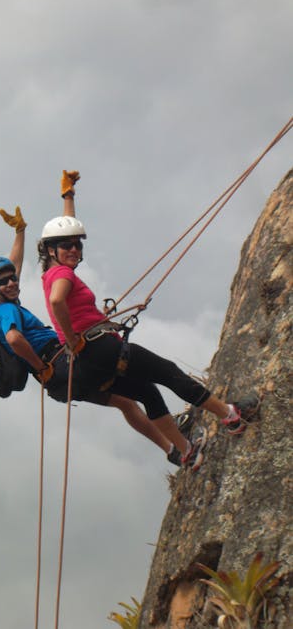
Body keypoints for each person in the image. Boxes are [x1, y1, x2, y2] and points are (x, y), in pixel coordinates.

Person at [37, 170, 259, 469]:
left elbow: (64, 233)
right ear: (51, 250)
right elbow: (57, 301)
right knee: (168, 373)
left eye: (78, 244)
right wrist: (74, 338)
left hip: (86, 362)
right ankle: (230, 415)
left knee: (146, 391)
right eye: (67, 246)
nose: (74, 249)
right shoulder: (62, 275)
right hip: (96, 347)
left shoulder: (49, 273)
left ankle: (186, 452)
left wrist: (68, 196)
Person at [0, 206, 186, 465]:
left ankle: (172, 449)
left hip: (58, 380)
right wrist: (41, 367)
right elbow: (14, 339)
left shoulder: (4, 303)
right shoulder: (6, 311)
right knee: (141, 388)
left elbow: (13, 266)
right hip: (60, 366)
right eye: (3, 282)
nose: (11, 283)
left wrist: (20, 231)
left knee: (127, 403)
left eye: (12, 279)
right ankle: (174, 437)